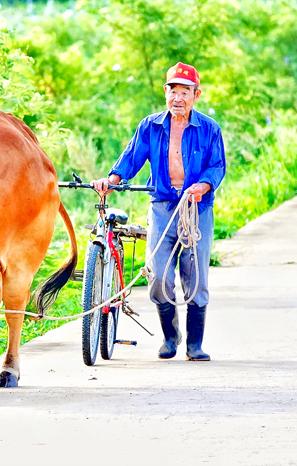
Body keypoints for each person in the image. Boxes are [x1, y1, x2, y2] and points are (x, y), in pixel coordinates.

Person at [91, 62, 226, 361]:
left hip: (196, 209)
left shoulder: (209, 129)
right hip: (163, 206)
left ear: (196, 95)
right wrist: (112, 180)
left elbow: (217, 166)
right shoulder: (150, 125)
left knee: (196, 276)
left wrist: (202, 186)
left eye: (185, 92)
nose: (178, 98)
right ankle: (170, 337)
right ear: (165, 92)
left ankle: (195, 345)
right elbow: (131, 158)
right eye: (173, 90)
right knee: (158, 276)